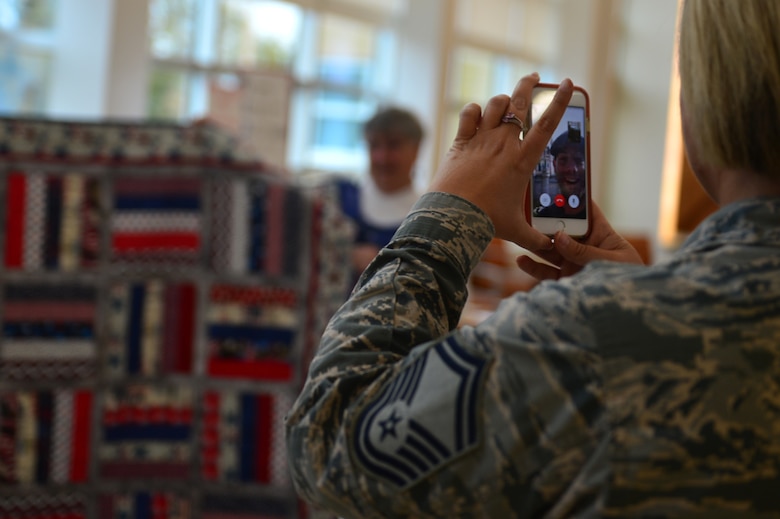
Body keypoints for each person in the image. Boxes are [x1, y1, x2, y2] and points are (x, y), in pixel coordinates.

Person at [286, 0, 780, 516]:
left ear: (707, 97)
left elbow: (331, 447)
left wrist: (449, 212)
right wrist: (642, 297)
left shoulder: (586, 333)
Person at [334, 107, 424, 276]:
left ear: (416, 149)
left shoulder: (427, 218)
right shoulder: (341, 201)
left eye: (393, 145)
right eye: (374, 145)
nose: (382, 157)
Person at [534, 130, 586, 218]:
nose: (571, 169)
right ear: (554, 165)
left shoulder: (595, 222)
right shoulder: (544, 215)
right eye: (563, 160)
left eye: (578, 160)